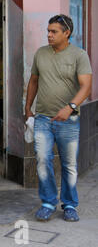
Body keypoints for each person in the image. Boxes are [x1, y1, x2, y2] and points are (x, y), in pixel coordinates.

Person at [25, 15, 92, 222]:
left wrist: (70, 107)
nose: (49, 35)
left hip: (68, 121)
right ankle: (48, 202)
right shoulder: (41, 53)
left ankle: (70, 204)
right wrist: (28, 107)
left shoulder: (79, 55)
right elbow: (34, 81)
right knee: (43, 161)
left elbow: (86, 86)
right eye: (48, 31)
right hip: (43, 119)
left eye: (54, 31)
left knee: (69, 164)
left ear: (67, 33)